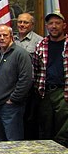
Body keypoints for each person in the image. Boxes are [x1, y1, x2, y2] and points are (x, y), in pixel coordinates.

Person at [0, 24, 32, 141]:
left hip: (11, 107)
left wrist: (13, 99)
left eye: (5, 35)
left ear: (11, 36)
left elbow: (25, 79)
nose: (2, 38)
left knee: (13, 142)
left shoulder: (21, 54)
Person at [33, 11, 68, 147]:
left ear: (64, 26)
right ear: (47, 26)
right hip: (45, 93)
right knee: (45, 131)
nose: (54, 26)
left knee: (63, 133)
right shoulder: (41, 45)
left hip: (63, 94)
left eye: (57, 23)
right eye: (51, 23)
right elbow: (35, 69)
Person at [14, 12, 43, 140]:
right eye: (20, 22)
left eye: (25, 22)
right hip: (13, 87)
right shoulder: (11, 39)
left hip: (31, 88)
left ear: (32, 24)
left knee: (29, 121)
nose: (22, 25)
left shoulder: (39, 41)